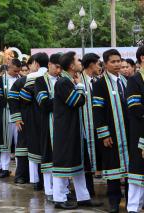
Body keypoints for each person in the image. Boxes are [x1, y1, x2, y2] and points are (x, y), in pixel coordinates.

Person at [53, 52, 100, 209]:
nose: (81, 62)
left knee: (79, 164)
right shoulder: (63, 82)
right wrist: (80, 86)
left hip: (74, 130)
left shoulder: (68, 80)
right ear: (72, 66)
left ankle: (83, 197)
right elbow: (76, 102)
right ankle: (59, 198)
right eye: (78, 60)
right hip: (66, 131)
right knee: (63, 164)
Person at [93, 49, 129, 213]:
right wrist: (104, 133)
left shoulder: (126, 81)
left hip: (128, 132)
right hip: (111, 133)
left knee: (131, 169)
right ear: (106, 64)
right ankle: (114, 202)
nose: (117, 64)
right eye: (113, 62)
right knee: (113, 168)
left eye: (118, 61)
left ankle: (131, 201)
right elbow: (97, 110)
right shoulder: (100, 84)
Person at [34, 53, 62, 201]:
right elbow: (44, 104)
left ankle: (61, 189)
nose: (58, 71)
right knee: (47, 154)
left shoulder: (62, 80)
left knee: (61, 155)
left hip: (62, 124)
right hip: (46, 123)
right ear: (49, 65)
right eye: (56, 67)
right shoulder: (39, 81)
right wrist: (61, 100)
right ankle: (49, 189)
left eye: (60, 68)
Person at [19, 52, 49, 191]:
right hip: (49, 116)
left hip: (33, 116)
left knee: (34, 149)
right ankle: (48, 181)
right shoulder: (52, 75)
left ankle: (36, 180)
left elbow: (24, 98)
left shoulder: (31, 77)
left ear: (36, 63)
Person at [0, 58, 21, 178]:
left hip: (19, 116)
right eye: (15, 70)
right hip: (5, 114)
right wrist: (14, 101)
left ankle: (20, 170)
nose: (17, 73)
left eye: (18, 71)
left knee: (19, 143)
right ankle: (5, 168)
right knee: (5, 143)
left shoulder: (21, 79)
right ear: (9, 67)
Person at [80, 53, 102, 197]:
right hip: (82, 127)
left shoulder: (94, 81)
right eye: (98, 64)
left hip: (94, 125)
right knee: (84, 158)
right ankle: (86, 191)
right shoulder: (79, 81)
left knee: (92, 157)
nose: (100, 67)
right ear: (91, 65)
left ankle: (90, 190)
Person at [126, 46, 144, 213]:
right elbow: (134, 107)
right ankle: (133, 207)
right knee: (138, 168)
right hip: (140, 132)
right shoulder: (134, 80)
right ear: (142, 58)